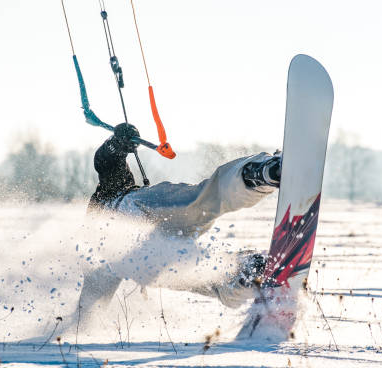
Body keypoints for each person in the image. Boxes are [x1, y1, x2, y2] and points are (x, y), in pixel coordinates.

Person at [78, 123, 282, 318]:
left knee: (188, 271)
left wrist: (118, 143)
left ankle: (241, 276)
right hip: (135, 209)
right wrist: (116, 143)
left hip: (135, 258)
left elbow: (90, 305)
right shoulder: (112, 195)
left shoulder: (101, 258)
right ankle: (259, 174)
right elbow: (106, 162)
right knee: (202, 201)